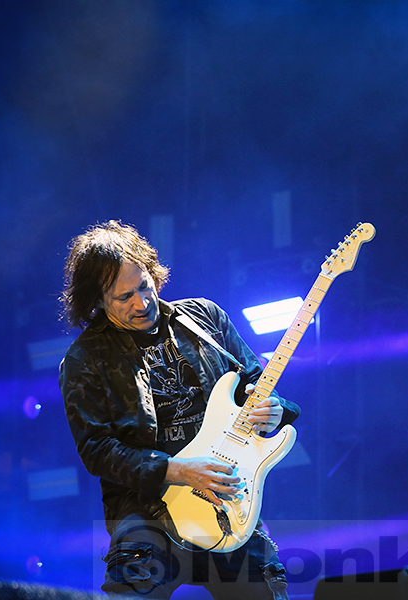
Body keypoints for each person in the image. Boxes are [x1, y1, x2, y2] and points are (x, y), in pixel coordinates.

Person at [59, 220, 300, 599]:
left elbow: (258, 385)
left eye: (145, 286)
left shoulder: (205, 319)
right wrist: (178, 471)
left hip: (226, 497)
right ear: (97, 302)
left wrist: (274, 411)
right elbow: (96, 449)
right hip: (145, 509)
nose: (141, 303)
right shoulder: (84, 359)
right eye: (124, 297)